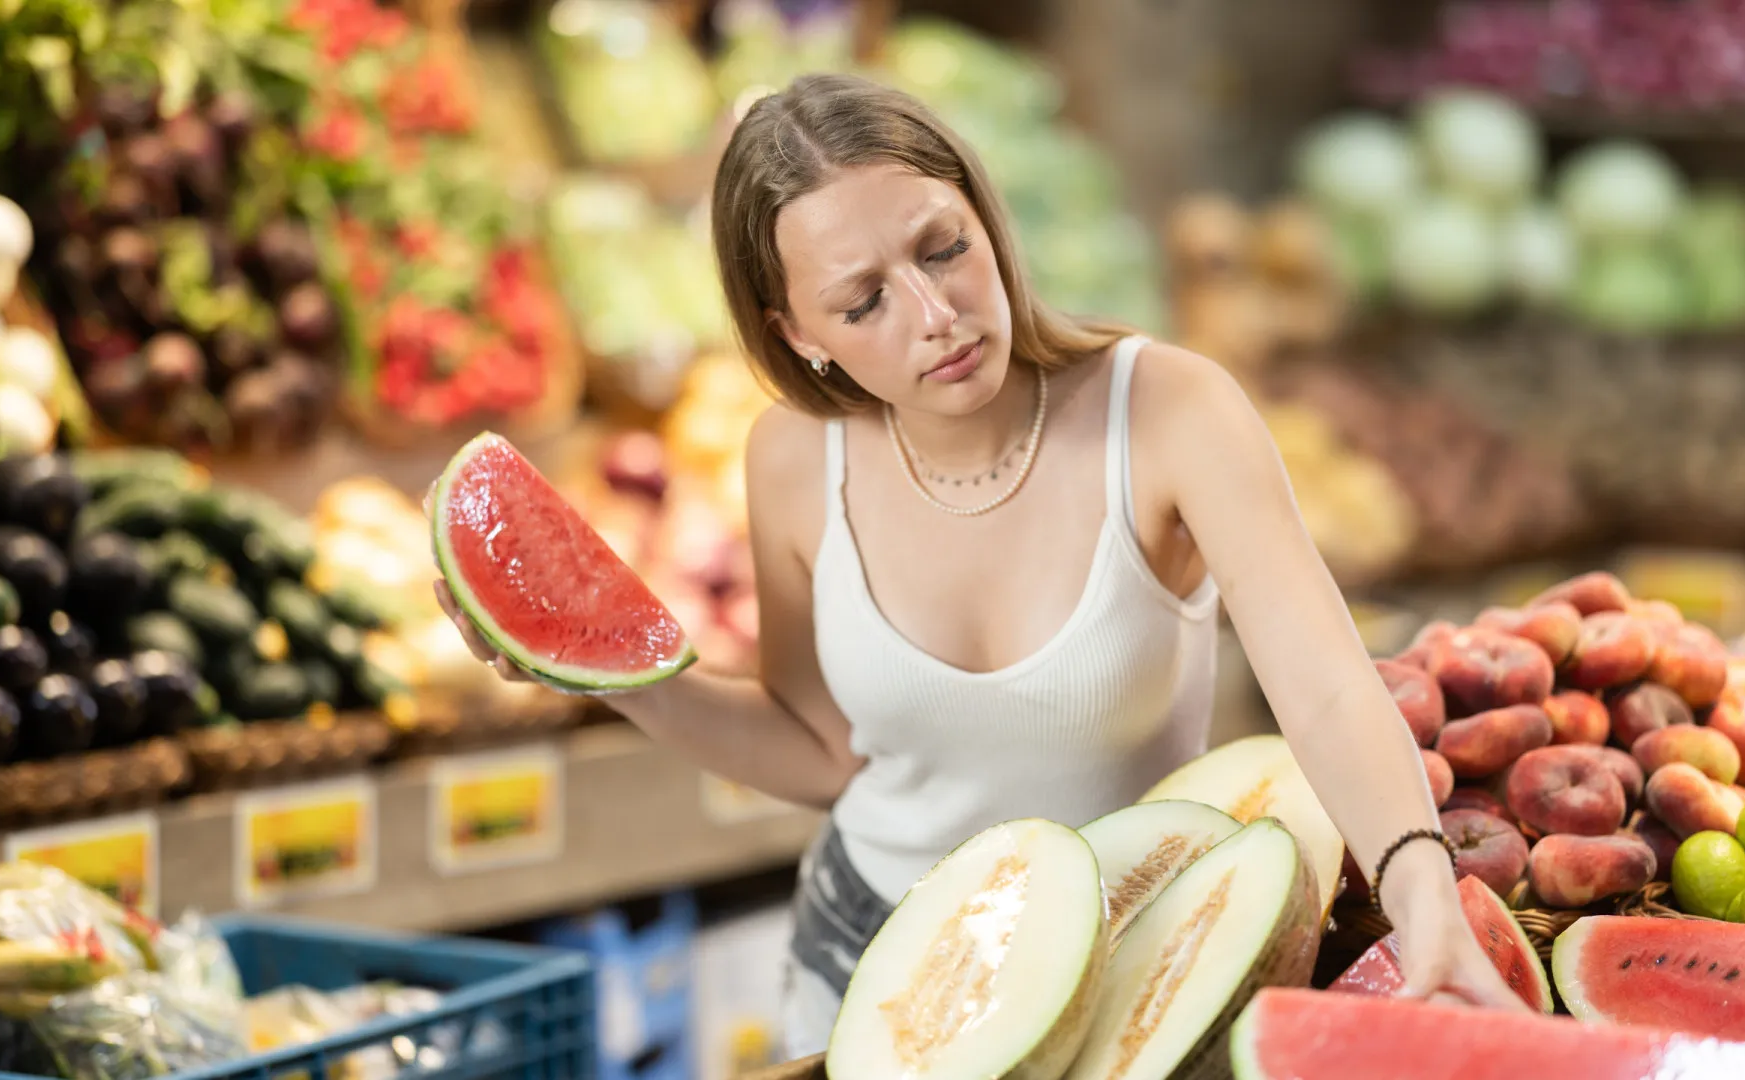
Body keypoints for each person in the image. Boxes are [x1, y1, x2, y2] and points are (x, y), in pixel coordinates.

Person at [432, 71, 1525, 1057]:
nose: (935, 313)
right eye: (862, 302)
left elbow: (1328, 685)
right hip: (874, 961)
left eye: (943, 246)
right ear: (798, 333)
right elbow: (820, 753)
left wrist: (1420, 881)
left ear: (986, 215)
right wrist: (604, 671)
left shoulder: (1169, 412)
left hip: (1133, 961)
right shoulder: (792, 459)